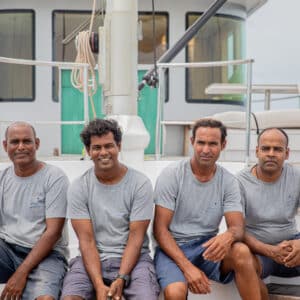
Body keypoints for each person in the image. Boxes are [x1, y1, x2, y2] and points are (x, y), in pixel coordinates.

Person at [153, 118, 261, 300]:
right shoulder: (172, 175)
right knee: (175, 292)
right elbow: (160, 229)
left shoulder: (228, 181)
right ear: (192, 142)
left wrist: (229, 235)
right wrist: (188, 268)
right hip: (172, 248)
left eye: (213, 144)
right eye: (201, 143)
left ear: (223, 145)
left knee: (241, 251)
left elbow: (237, 228)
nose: (206, 150)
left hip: (206, 247)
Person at [61, 118, 160, 300]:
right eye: (97, 148)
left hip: (134, 260)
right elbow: (87, 241)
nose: (103, 152)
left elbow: (135, 237)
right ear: (89, 151)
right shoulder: (79, 187)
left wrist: (121, 278)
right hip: (91, 260)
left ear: (119, 146)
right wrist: (99, 284)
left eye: (109, 146)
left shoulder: (140, 184)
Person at [0, 121, 69, 300]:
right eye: (15, 142)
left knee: (44, 299)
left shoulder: (54, 177)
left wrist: (20, 273)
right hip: (8, 250)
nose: (21, 147)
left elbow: (53, 233)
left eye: (27, 141)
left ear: (36, 144)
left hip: (48, 254)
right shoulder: (3, 178)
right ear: (5, 146)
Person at [237, 127, 300, 299]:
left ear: (287, 153)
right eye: (266, 148)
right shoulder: (239, 182)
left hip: (292, 249)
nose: (271, 153)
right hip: (258, 251)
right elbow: (237, 229)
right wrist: (271, 251)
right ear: (257, 151)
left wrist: (299, 244)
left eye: (278, 149)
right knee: (242, 263)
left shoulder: (296, 176)